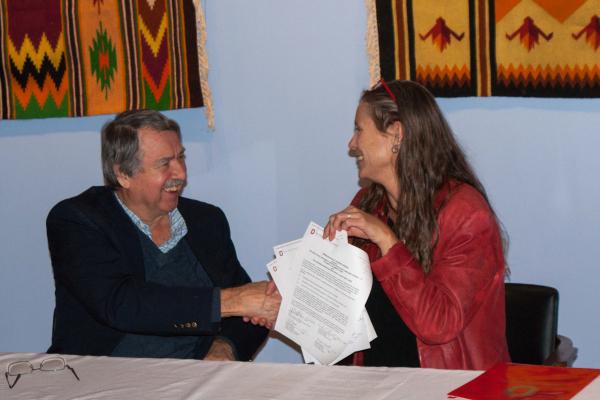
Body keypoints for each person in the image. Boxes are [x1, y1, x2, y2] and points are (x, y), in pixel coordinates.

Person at [46, 110, 280, 361]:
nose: (180, 173)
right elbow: (122, 304)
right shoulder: (77, 220)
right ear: (123, 174)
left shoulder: (206, 220)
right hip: (103, 378)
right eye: (164, 163)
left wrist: (224, 349)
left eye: (181, 157)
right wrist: (230, 301)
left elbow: (247, 315)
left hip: (194, 380)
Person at [323, 80, 510, 370]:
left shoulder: (466, 215)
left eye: (359, 130)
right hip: (373, 384)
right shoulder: (368, 203)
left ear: (396, 134)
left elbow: (439, 325)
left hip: (448, 387)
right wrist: (296, 295)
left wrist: (387, 240)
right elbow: (346, 299)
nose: (352, 144)